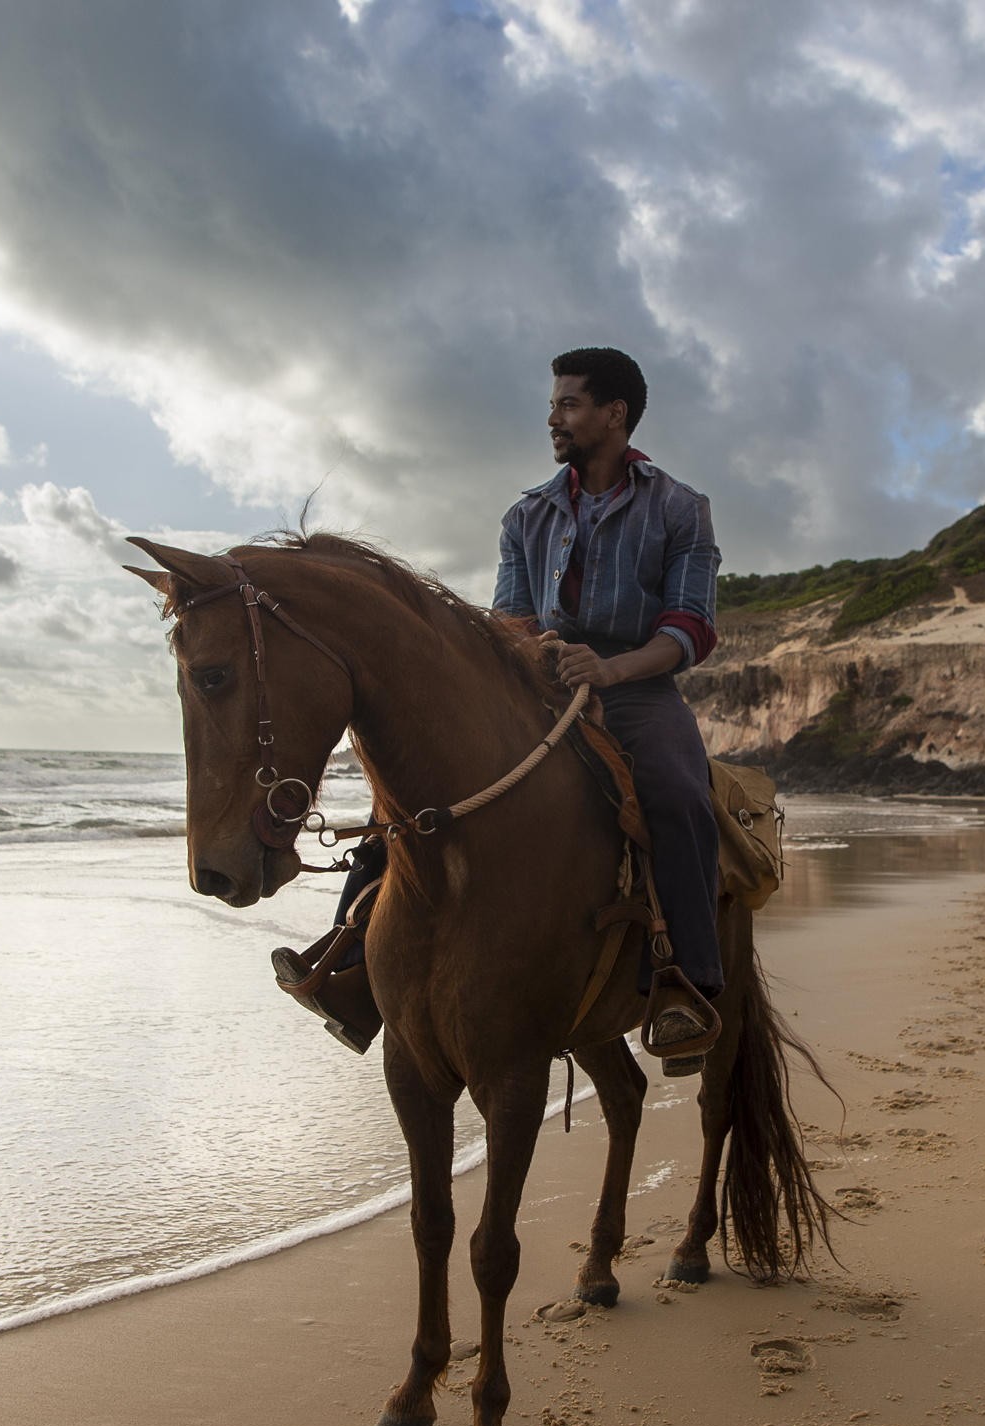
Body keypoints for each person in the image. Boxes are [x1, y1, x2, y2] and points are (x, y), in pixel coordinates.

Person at [274, 346, 724, 1058]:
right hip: (537, 684)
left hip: (637, 689)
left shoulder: (679, 508)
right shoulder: (526, 515)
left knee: (678, 792)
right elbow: (507, 617)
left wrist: (610, 669)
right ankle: (351, 964)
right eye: (552, 405)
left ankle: (686, 984)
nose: (553, 419)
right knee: (415, 785)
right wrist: (532, 648)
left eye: (569, 404)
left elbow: (690, 627)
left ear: (615, 414)